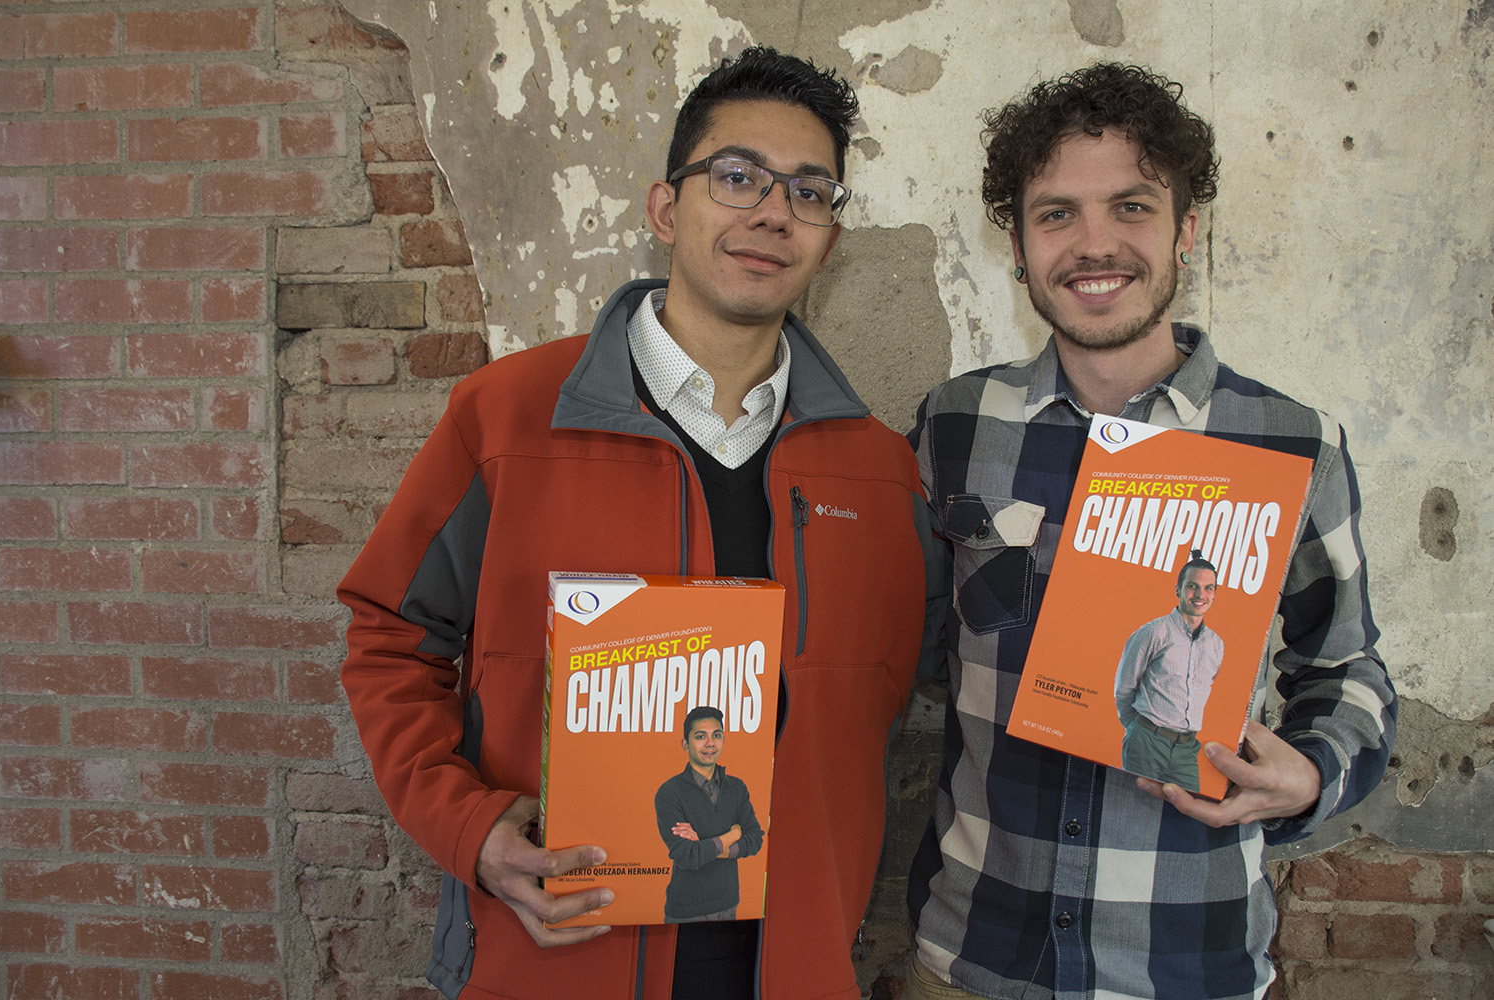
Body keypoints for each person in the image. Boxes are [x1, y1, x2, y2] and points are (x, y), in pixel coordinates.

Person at [338, 46, 941, 1000]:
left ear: (830, 237)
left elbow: (889, 710)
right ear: (667, 208)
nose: (772, 212)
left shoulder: (881, 472)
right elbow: (387, 640)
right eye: (737, 176)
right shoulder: (504, 418)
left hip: (793, 970)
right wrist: (471, 828)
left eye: (810, 192)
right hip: (551, 961)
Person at [906, 63, 1396, 1000]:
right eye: (1057, 215)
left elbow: (1349, 671)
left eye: (1131, 207)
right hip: (970, 957)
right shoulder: (955, 426)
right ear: (1016, 245)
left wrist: (1314, 774)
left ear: (1187, 231)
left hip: (1186, 964)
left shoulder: (1296, 444)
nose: (1096, 246)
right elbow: (922, 646)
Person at [1113, 549, 1225, 790]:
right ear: (1178, 589)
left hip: (1187, 749)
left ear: (1215, 594)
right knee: (1134, 808)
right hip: (1146, 741)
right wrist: (1138, 729)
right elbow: (1124, 688)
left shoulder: (1216, 645)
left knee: (1187, 810)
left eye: (1208, 588)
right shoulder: (1153, 632)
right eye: (1192, 586)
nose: (1200, 594)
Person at [654, 706, 765, 922]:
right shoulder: (669, 792)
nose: (710, 743)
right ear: (685, 743)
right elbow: (687, 856)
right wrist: (732, 835)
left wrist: (704, 847)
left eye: (716, 735)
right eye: (700, 736)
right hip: (685, 912)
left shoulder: (737, 788)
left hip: (729, 905)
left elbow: (755, 839)